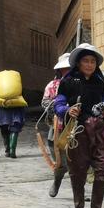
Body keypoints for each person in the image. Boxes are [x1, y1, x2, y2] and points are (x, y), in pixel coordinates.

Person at [54, 43, 104, 208]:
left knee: (103, 169)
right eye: (86, 61)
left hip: (98, 132)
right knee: (78, 172)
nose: (89, 64)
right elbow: (58, 104)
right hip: (77, 133)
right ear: (78, 63)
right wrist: (67, 110)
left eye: (93, 61)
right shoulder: (68, 83)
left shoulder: (99, 83)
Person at [41, 53, 70, 197]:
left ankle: (80, 192)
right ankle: (56, 182)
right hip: (57, 128)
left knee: (79, 163)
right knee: (60, 162)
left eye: (69, 67)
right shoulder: (52, 86)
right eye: (64, 68)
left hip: (77, 128)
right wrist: (57, 105)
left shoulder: (80, 82)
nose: (67, 70)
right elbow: (44, 102)